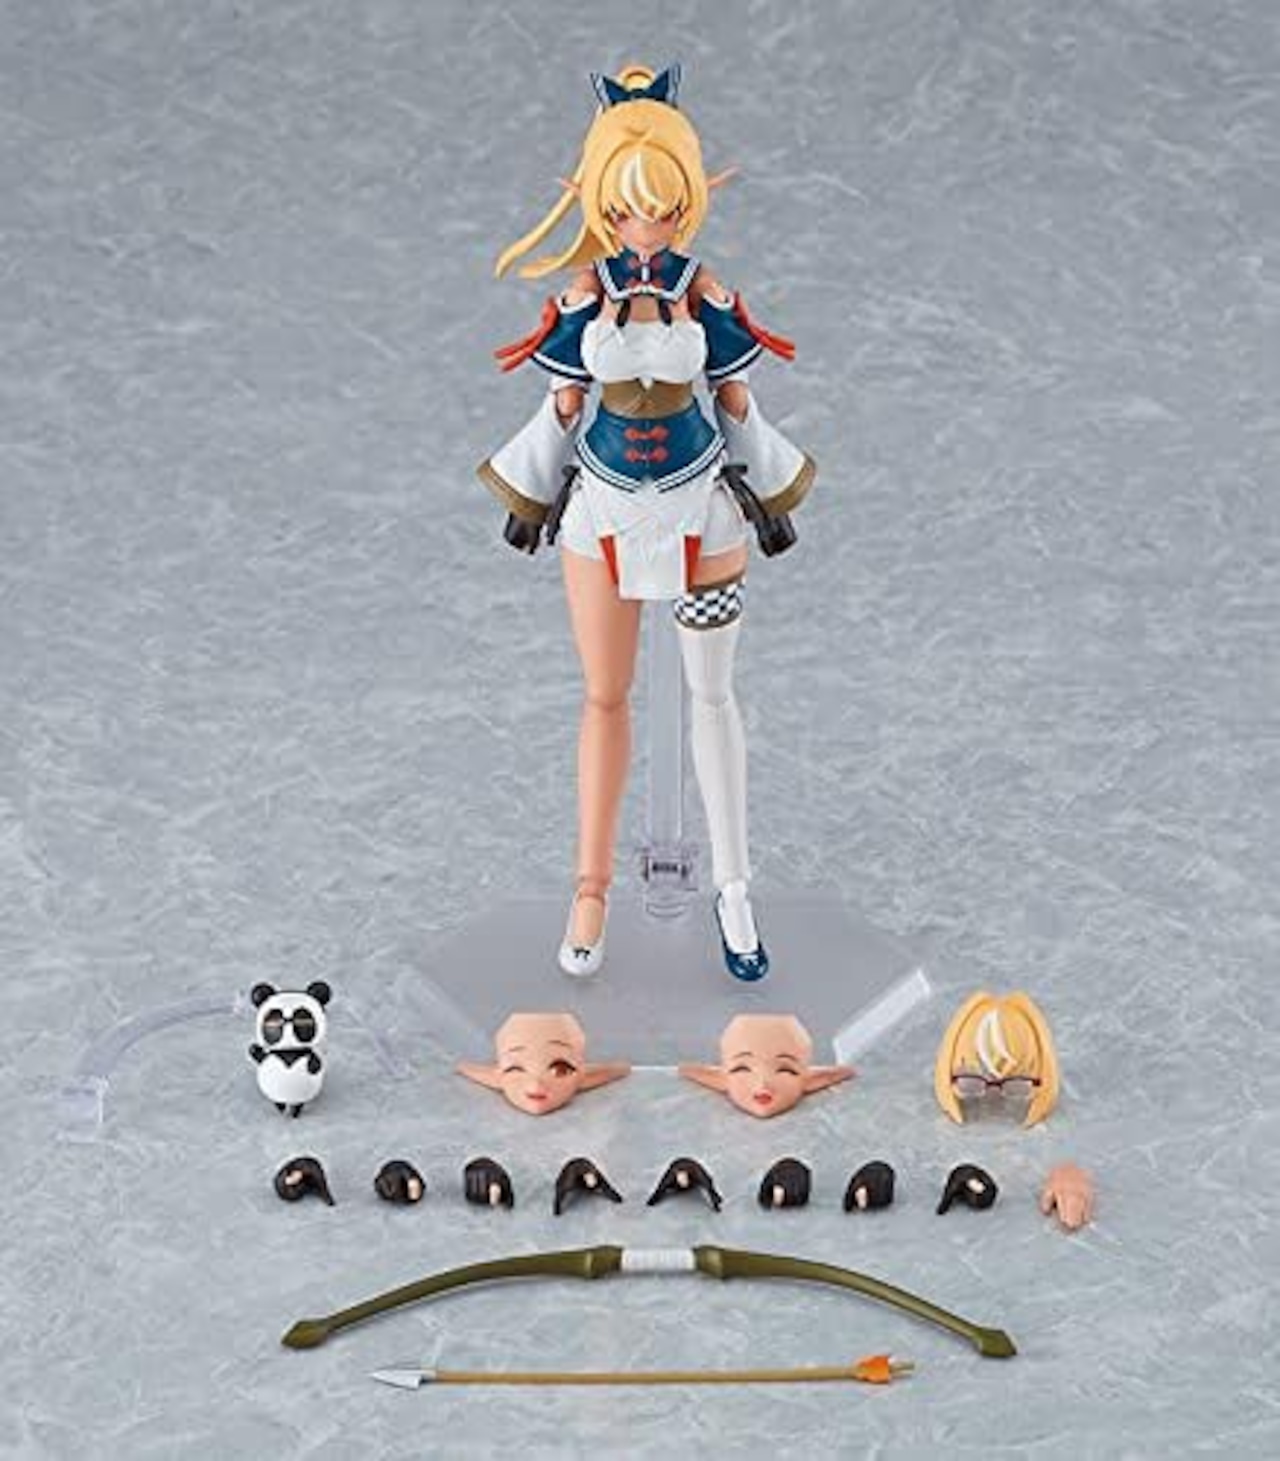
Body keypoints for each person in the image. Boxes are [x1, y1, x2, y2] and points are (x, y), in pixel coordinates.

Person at [477, 63, 814, 981]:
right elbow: (562, 402)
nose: (644, 225)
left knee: (713, 696)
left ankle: (733, 890)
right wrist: (528, 488)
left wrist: (769, 483)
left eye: (662, 207)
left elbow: (734, 395)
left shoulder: (706, 293)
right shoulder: (582, 296)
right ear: (595, 198)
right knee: (604, 695)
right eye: (626, 208)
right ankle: (590, 888)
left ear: (689, 200)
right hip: (603, 511)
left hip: (704, 512)